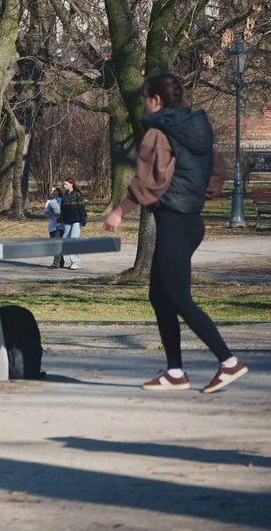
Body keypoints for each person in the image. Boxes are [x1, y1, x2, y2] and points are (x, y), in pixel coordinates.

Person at [104, 71, 246, 393]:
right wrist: (198, 197)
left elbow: (148, 182)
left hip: (173, 221)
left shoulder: (158, 132)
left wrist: (119, 211)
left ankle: (228, 361)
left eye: (144, 100)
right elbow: (217, 170)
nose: (144, 106)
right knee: (159, 295)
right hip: (191, 221)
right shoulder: (197, 128)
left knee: (179, 298)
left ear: (155, 100)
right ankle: (175, 372)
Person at [59, 176, 87, 269]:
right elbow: (62, 210)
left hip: (76, 222)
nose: (64, 186)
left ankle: (76, 262)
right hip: (66, 222)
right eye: (64, 184)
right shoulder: (65, 196)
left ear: (71, 184)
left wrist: (83, 219)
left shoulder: (77, 195)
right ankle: (73, 262)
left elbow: (81, 208)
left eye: (66, 184)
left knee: (73, 240)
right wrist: (60, 219)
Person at [44, 186, 65, 268]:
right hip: (52, 226)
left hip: (60, 226)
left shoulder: (63, 201)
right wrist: (53, 217)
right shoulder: (49, 202)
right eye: (51, 190)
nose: (52, 192)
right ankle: (61, 262)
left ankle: (56, 264)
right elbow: (46, 213)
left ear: (58, 192)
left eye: (54, 190)